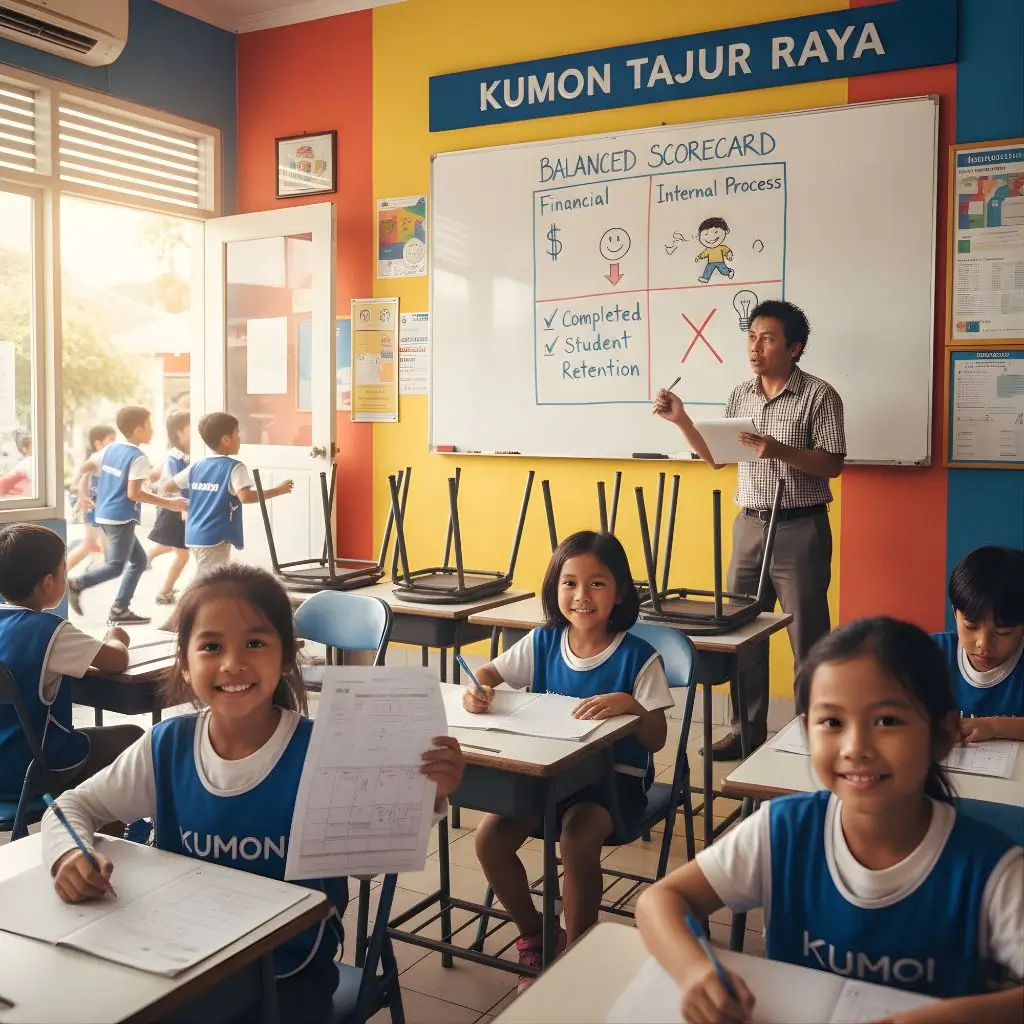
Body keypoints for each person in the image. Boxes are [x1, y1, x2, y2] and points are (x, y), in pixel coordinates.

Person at [41, 564, 466, 1024]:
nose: (233, 664)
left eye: (256, 643)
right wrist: (70, 854)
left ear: (287, 656)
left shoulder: (324, 751)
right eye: (211, 646)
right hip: (179, 965)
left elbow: (365, 866)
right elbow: (71, 807)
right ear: (184, 659)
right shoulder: (167, 745)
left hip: (287, 978)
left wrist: (427, 796)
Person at [636, 617, 1023, 1024]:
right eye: (832, 722)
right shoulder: (783, 831)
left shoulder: (991, 872)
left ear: (942, 737)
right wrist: (696, 972)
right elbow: (660, 900)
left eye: (888, 721)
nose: (856, 748)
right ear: (806, 730)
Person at [463, 530, 673, 991]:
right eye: (569, 583)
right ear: (554, 588)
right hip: (546, 776)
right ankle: (537, 935)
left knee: (576, 839)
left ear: (620, 592)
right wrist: (479, 690)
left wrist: (632, 706)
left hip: (612, 783)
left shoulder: (640, 657)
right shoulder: (542, 642)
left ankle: (577, 957)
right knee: (489, 840)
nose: (581, 596)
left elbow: (656, 740)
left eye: (597, 584)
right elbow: (489, 673)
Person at [654, 299, 846, 760]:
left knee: (808, 640)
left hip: (800, 527)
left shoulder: (820, 396)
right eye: (751, 336)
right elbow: (718, 458)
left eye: (767, 338)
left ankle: (809, 735)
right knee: (739, 634)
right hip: (750, 526)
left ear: (794, 347)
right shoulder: (741, 395)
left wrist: (778, 449)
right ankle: (746, 730)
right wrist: (682, 420)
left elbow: (833, 463)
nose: (755, 347)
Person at [0, 524, 143, 801]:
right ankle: (106, 831)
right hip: (31, 770)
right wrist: (115, 637)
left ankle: (87, 819)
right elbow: (115, 661)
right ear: (47, 581)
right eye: (64, 571)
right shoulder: (50, 631)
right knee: (133, 737)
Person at [67, 406, 188, 625]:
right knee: (115, 565)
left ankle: (120, 609)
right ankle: (77, 583)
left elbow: (85, 467)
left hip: (106, 515)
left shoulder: (111, 449)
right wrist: (169, 503)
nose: (152, 430)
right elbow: (134, 493)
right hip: (120, 518)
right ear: (138, 430)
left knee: (139, 561)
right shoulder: (138, 457)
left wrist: (81, 491)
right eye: (149, 425)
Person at [166, 412, 292, 575]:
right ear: (226, 440)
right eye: (237, 433)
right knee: (210, 580)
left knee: (207, 575)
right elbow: (245, 497)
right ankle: (191, 601)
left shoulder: (197, 465)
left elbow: (168, 486)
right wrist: (278, 490)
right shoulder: (234, 467)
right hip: (214, 536)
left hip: (195, 533)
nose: (240, 437)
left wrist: (195, 498)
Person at [933, 547, 1024, 743]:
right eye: (970, 626)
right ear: (955, 612)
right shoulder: (932, 652)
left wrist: (993, 726)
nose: (983, 644)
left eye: (1003, 632)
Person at [146, 409, 191, 606]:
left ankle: (142, 560)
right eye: (191, 427)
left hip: (177, 508)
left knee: (170, 547)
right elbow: (175, 485)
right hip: (174, 508)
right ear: (180, 432)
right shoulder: (175, 457)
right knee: (181, 553)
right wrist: (184, 513)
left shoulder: (186, 454)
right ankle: (164, 591)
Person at [66, 425, 115, 573]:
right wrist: (83, 495)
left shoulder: (106, 462)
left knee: (105, 545)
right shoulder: (93, 461)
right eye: (111, 440)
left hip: (100, 508)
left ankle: (106, 569)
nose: (114, 444)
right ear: (98, 444)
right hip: (91, 507)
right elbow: (75, 485)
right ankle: (61, 573)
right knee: (89, 544)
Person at [695, 217, 734, 283]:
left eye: (716, 232)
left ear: (726, 231)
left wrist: (729, 255)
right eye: (706, 234)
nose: (711, 237)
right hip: (710, 263)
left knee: (723, 271)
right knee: (708, 270)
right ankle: (705, 278)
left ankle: (729, 271)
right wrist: (699, 257)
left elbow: (727, 250)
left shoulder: (721, 247)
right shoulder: (708, 249)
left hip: (720, 262)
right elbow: (704, 254)